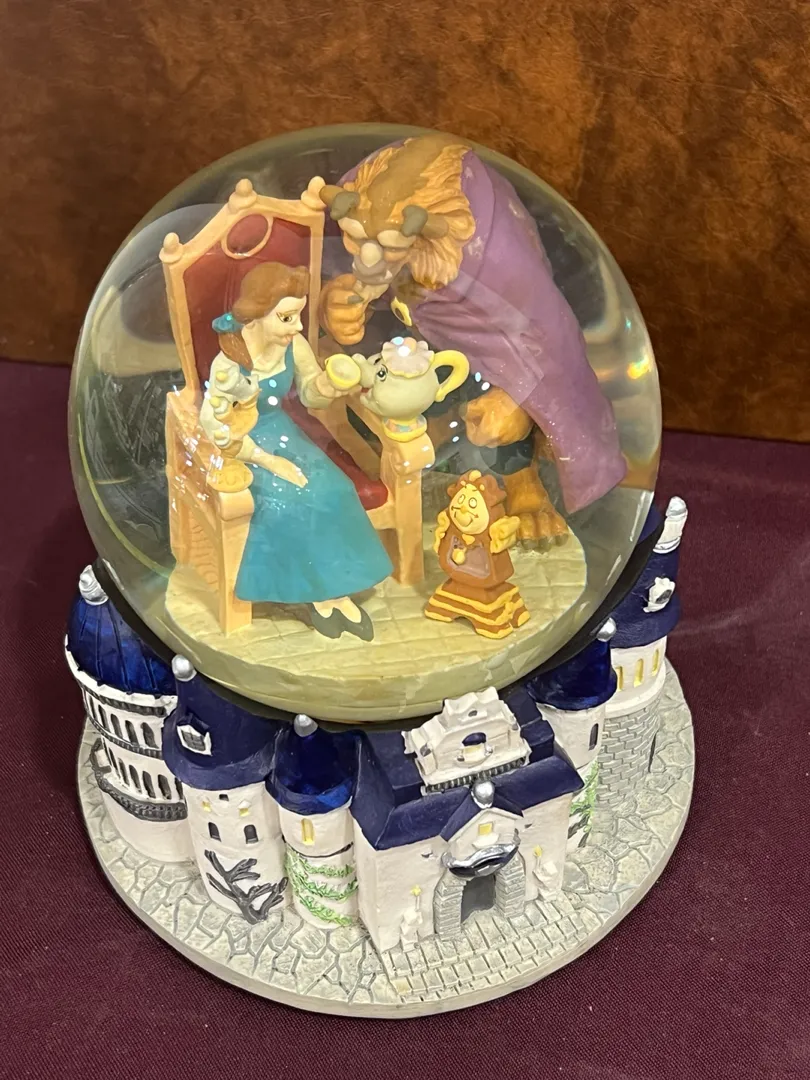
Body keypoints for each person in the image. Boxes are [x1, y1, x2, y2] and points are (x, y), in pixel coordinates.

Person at [199, 261, 392, 641]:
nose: (298, 327)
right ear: (257, 315)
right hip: (244, 444)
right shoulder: (229, 362)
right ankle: (318, 596)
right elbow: (214, 423)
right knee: (288, 499)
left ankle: (336, 593)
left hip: (281, 429)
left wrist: (329, 386)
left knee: (334, 488)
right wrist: (268, 461)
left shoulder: (293, 346)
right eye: (287, 317)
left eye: (299, 315)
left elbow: (309, 392)